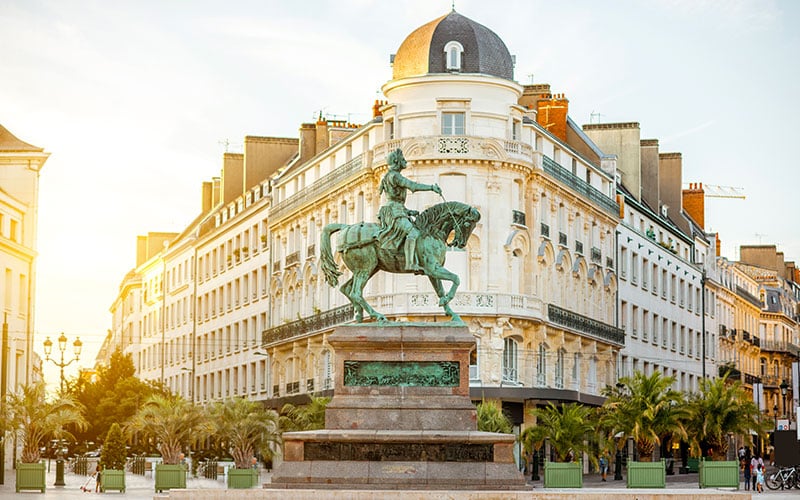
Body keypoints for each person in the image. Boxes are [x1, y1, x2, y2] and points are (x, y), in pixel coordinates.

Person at [377, 148, 441, 272]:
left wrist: (408, 211)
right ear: (397, 161)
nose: (405, 161)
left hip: (396, 210)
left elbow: (394, 198)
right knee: (414, 233)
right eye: (402, 159)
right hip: (393, 211)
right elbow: (413, 186)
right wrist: (431, 188)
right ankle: (410, 264)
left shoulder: (389, 176)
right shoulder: (395, 176)